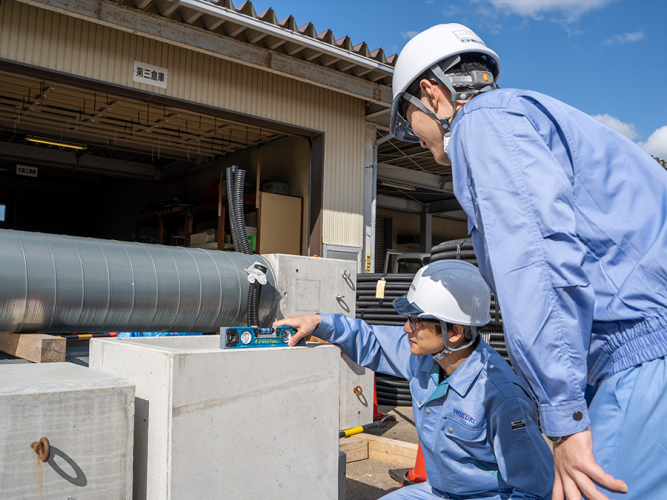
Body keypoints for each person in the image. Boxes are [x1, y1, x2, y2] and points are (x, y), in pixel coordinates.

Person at [388, 23, 667, 500]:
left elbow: (538, 262)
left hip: (639, 362)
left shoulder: (483, 124)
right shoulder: (533, 116)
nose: (415, 140)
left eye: (407, 121)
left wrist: (565, 416)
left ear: (432, 95)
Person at [276, 260, 554, 499]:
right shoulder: (425, 358)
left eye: (416, 320)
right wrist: (319, 322)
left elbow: (534, 489)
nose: (406, 327)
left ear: (454, 332)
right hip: (440, 492)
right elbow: (371, 340)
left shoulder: (503, 398)